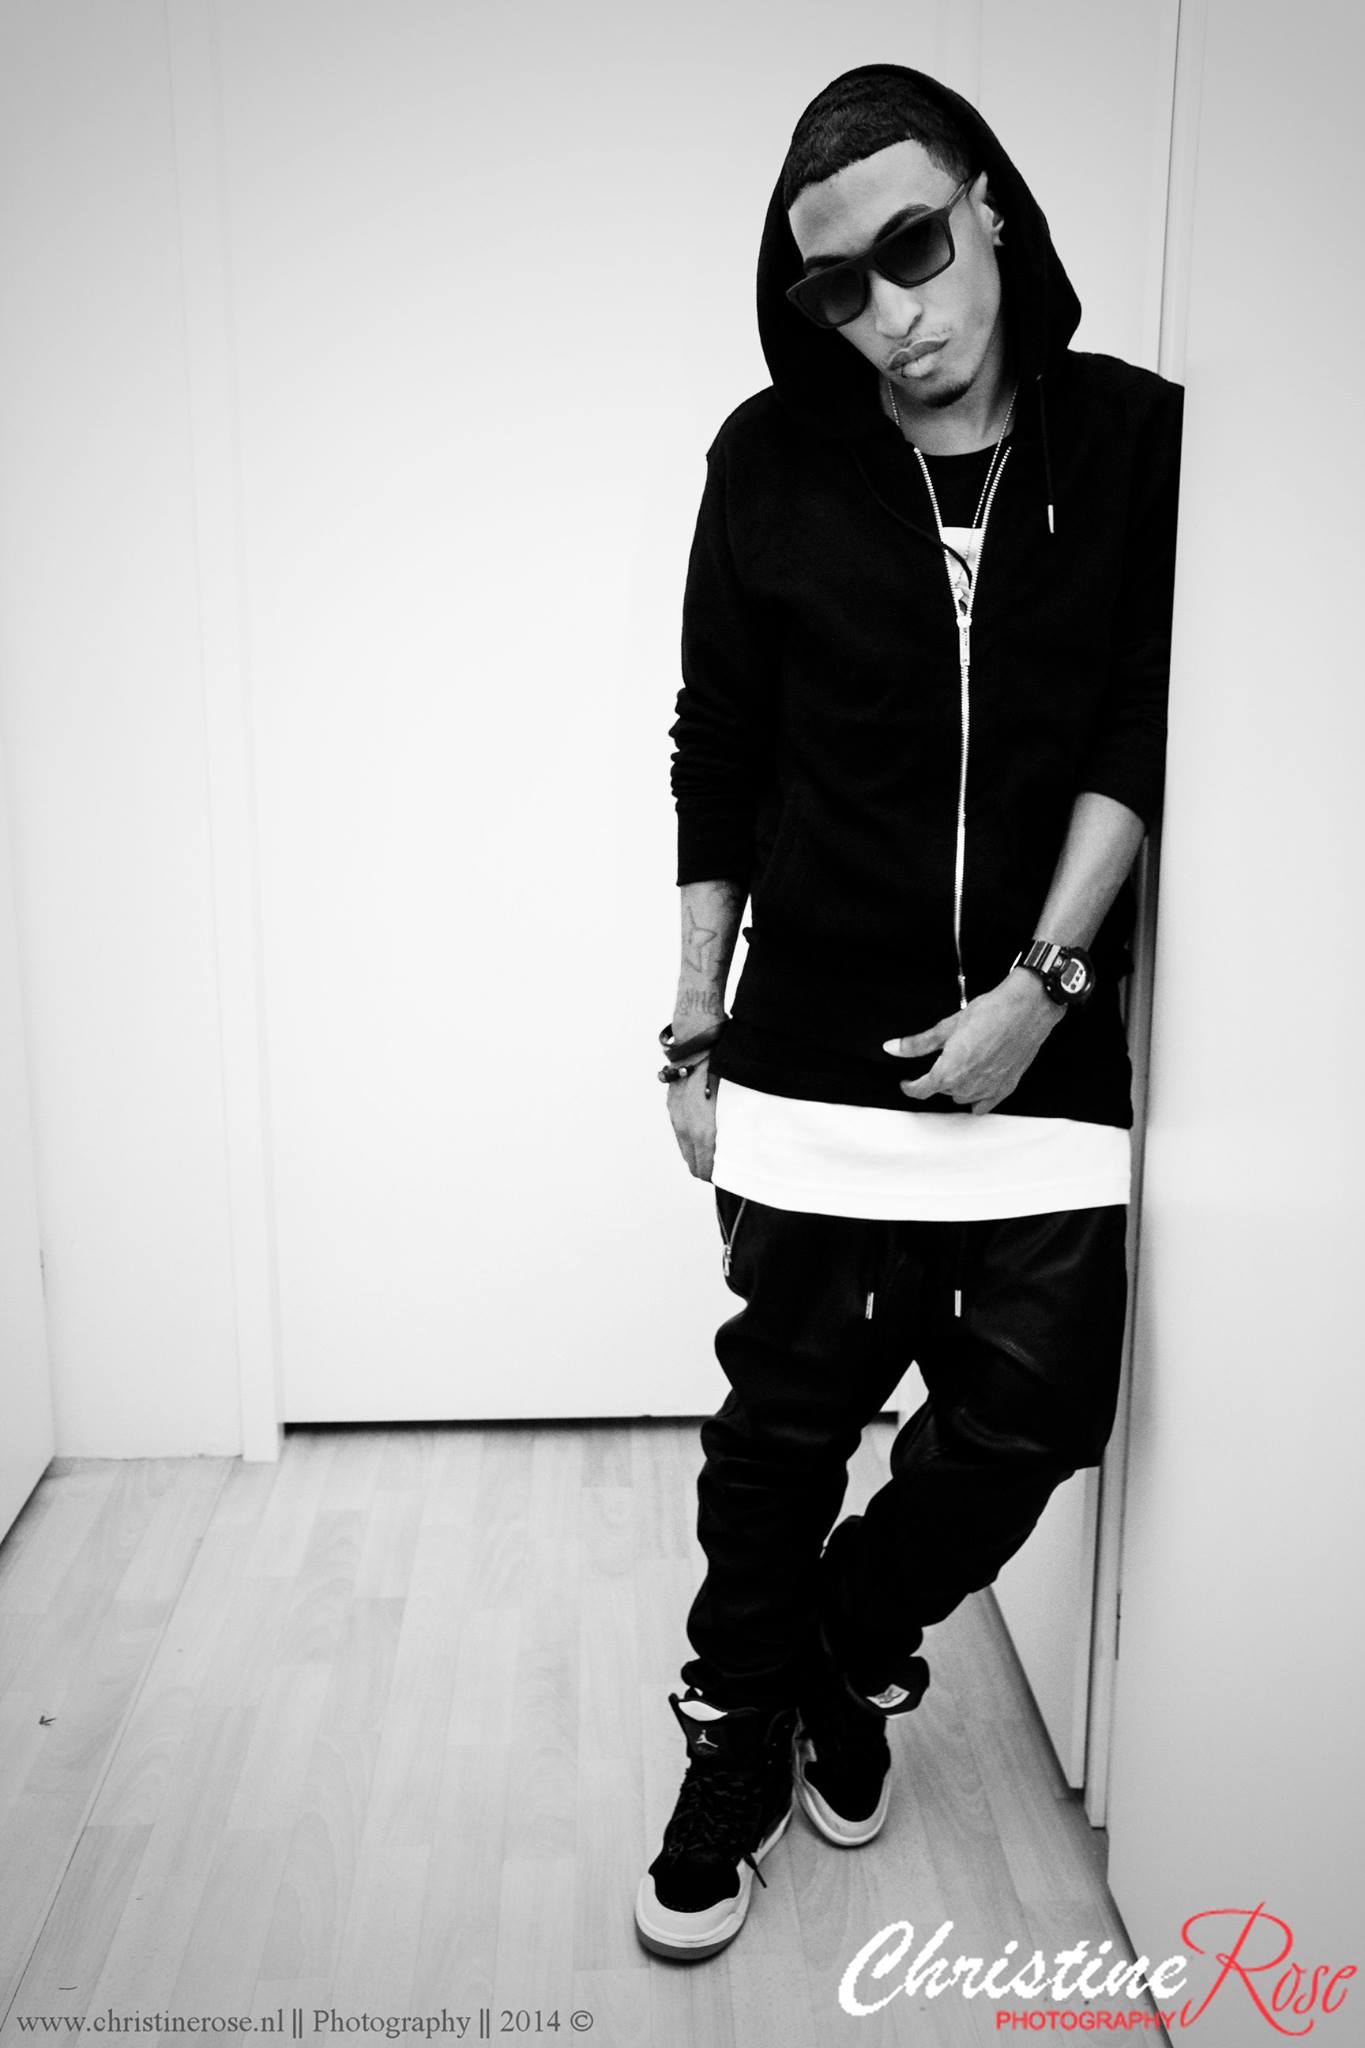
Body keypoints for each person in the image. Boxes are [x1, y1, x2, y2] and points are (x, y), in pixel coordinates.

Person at [633, 63, 1183, 1963]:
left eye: (917, 248)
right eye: (839, 287)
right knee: (785, 1421)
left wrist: (1041, 988)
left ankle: (846, 1649)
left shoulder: (1132, 439)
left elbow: (1137, 721)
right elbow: (716, 751)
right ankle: (733, 1736)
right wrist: (691, 1029)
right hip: (816, 1036)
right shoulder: (769, 461)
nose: (892, 312)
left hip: (1044, 1037)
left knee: (1033, 1409)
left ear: (991, 208)